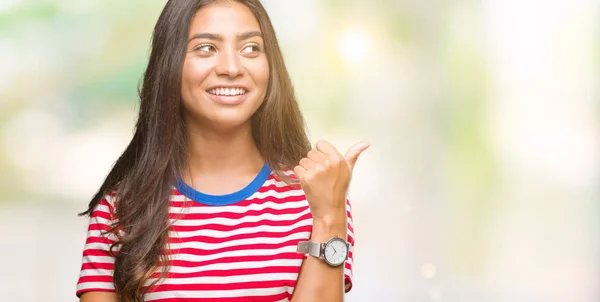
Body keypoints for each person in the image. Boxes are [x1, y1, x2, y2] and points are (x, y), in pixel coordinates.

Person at [76, 0, 369, 301]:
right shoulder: (121, 208)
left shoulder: (315, 198)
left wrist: (328, 217)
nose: (231, 68)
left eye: (251, 48)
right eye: (206, 48)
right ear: (170, 63)